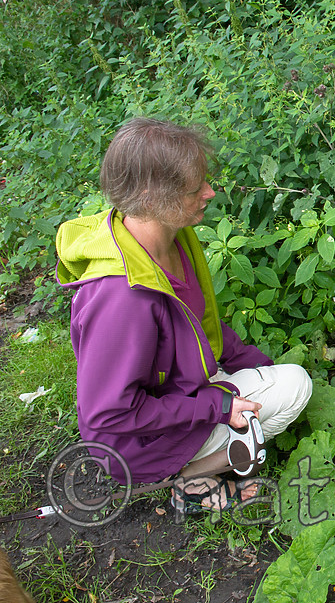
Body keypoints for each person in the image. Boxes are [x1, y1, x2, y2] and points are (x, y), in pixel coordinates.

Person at [55, 117, 312, 514]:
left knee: (284, 380)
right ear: (152, 198)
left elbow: (201, 324)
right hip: (135, 442)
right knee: (295, 387)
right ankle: (188, 479)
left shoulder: (173, 235)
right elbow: (109, 415)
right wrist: (219, 407)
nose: (209, 192)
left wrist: (256, 365)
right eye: (195, 189)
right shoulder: (121, 298)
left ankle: (215, 446)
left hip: (180, 389)